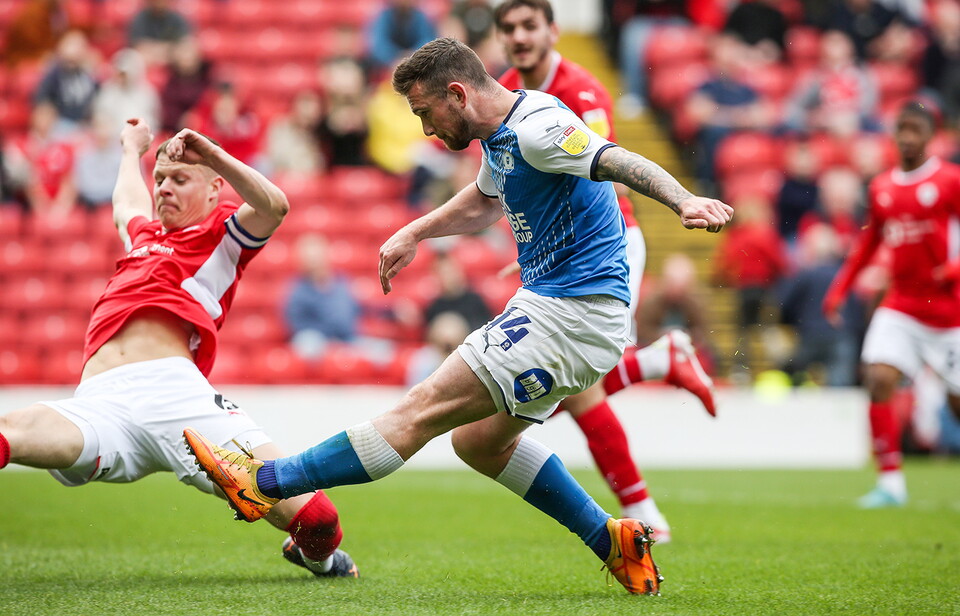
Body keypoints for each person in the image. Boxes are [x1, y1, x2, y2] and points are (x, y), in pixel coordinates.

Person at [184, 37, 733, 595]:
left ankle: (266, 481)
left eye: (424, 113)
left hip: (570, 313)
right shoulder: (501, 136)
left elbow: (613, 159)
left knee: (419, 411)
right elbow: (484, 200)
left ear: (456, 93)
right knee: (477, 443)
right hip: (566, 311)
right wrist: (415, 231)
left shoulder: (536, 128)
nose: (425, 131)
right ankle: (610, 540)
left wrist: (682, 199)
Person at [0, 118, 358, 578]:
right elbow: (125, 202)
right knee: (9, 432)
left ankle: (318, 559)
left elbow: (275, 205)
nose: (164, 188)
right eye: (161, 181)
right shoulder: (143, 239)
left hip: (180, 399)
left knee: (320, 522)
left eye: (179, 179)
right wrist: (131, 150)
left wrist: (210, 153)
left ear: (213, 190)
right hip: (100, 403)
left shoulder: (222, 237)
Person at [493, 0, 716, 541]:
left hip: (609, 244)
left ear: (553, 29)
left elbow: (602, 175)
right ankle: (649, 515)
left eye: (529, 25)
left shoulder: (582, 91)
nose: (520, 37)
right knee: (574, 392)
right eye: (509, 29)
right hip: (557, 254)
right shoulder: (505, 90)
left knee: (569, 387)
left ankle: (659, 362)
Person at [823, 100, 960, 508]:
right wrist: (839, 288)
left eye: (915, 129)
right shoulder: (882, 186)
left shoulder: (950, 179)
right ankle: (891, 483)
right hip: (901, 304)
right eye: (901, 128)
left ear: (931, 134)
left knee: (956, 403)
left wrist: (954, 268)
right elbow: (869, 243)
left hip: (948, 312)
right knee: (879, 378)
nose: (907, 137)